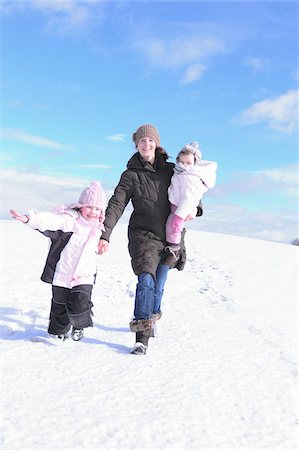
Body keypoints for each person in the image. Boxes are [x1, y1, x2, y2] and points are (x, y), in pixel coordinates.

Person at [98, 124, 203, 355]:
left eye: (151, 141)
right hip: (142, 235)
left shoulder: (171, 170)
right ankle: (141, 336)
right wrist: (105, 234)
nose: (147, 145)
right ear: (136, 144)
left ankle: (152, 316)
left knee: (159, 284)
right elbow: (117, 204)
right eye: (142, 141)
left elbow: (191, 187)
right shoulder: (130, 175)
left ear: (157, 144)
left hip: (170, 237)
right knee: (146, 279)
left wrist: (196, 209)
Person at [9, 181, 107, 342]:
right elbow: (51, 221)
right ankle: (58, 332)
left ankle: (79, 325)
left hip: (85, 274)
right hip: (63, 272)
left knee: (80, 301)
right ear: (80, 206)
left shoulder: (98, 228)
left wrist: (100, 248)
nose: (93, 212)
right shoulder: (70, 221)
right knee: (59, 304)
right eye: (89, 207)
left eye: (97, 208)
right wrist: (29, 219)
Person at [164, 141, 217, 265]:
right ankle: (173, 250)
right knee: (170, 228)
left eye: (188, 163)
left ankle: (174, 251)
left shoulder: (190, 177)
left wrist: (182, 213)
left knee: (174, 228)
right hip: (175, 206)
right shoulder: (179, 172)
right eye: (182, 162)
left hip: (180, 208)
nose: (185, 165)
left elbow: (190, 198)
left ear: (195, 164)